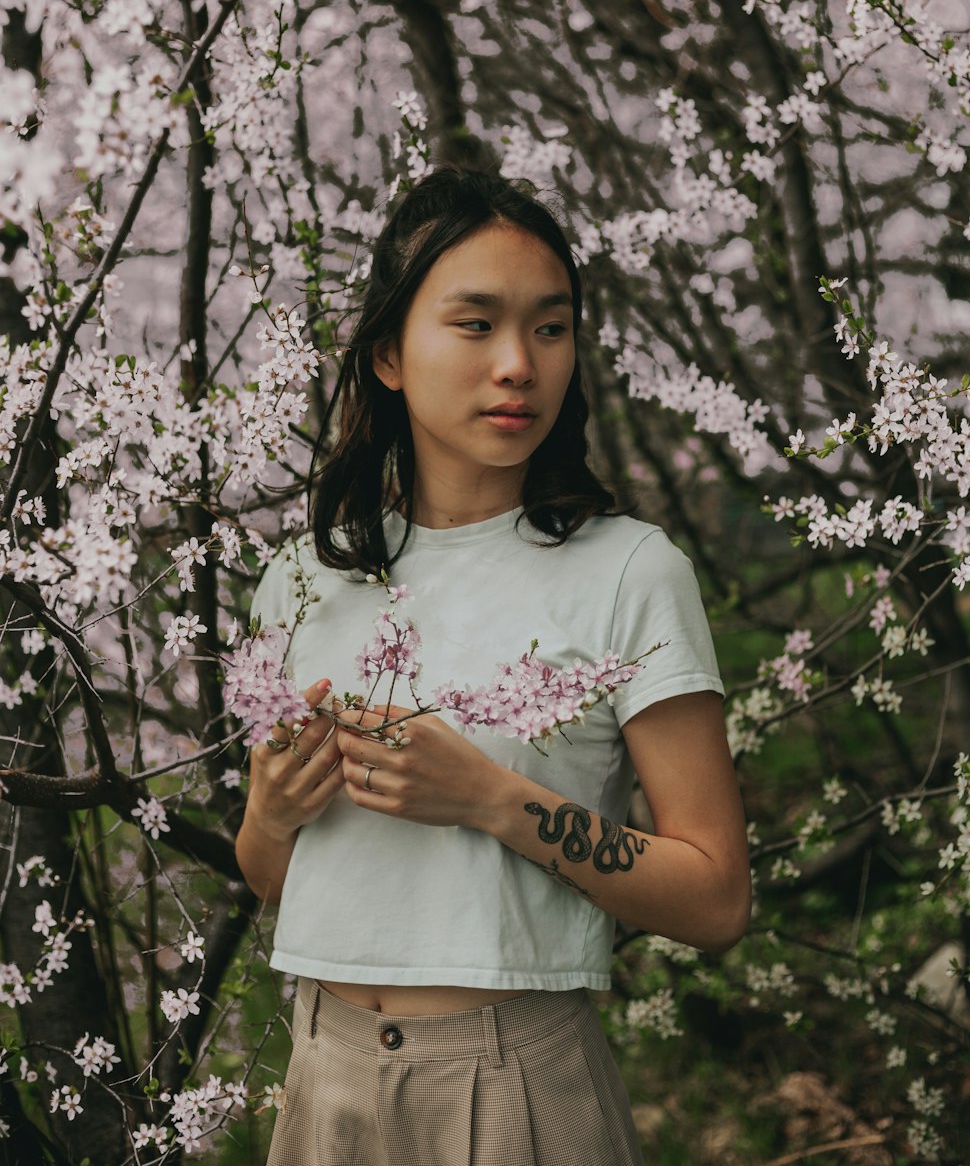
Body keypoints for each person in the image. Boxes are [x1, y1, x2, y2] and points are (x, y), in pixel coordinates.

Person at [236, 166, 751, 1166]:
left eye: (549, 328)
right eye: (475, 324)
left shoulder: (630, 571)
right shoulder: (302, 581)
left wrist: (489, 801)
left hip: (515, 1084)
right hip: (322, 1078)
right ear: (388, 352)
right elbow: (274, 880)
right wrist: (270, 814)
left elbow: (716, 896)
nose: (518, 364)